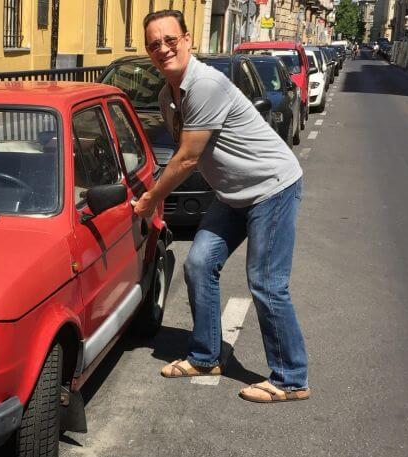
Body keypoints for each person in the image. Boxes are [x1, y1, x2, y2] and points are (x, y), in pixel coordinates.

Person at [132, 10, 310, 403]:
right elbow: (181, 153)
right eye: (154, 44)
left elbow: (188, 159)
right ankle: (206, 356)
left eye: (170, 39)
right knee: (198, 264)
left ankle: (291, 378)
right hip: (232, 196)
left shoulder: (205, 84)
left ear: (187, 39)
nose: (163, 48)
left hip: (271, 188)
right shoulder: (168, 96)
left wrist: (151, 198)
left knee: (266, 283)